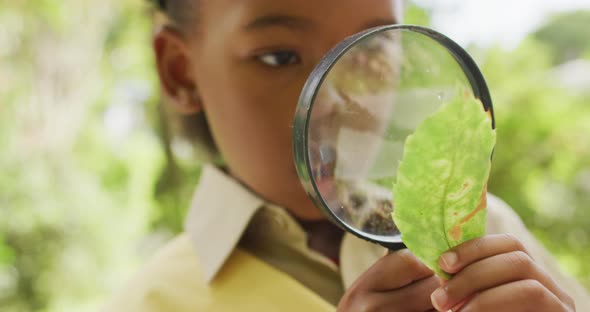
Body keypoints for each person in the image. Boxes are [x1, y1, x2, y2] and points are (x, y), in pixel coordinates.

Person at [104, 0, 589, 311]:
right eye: (279, 56)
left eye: (373, 50)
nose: (340, 98)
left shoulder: (488, 231)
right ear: (180, 71)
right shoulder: (151, 302)